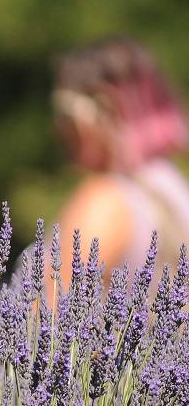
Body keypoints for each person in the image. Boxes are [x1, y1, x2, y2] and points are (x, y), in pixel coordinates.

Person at [49, 36, 189, 295]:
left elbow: (47, 315)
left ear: (106, 107)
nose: (59, 129)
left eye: (65, 115)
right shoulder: (174, 185)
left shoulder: (105, 201)